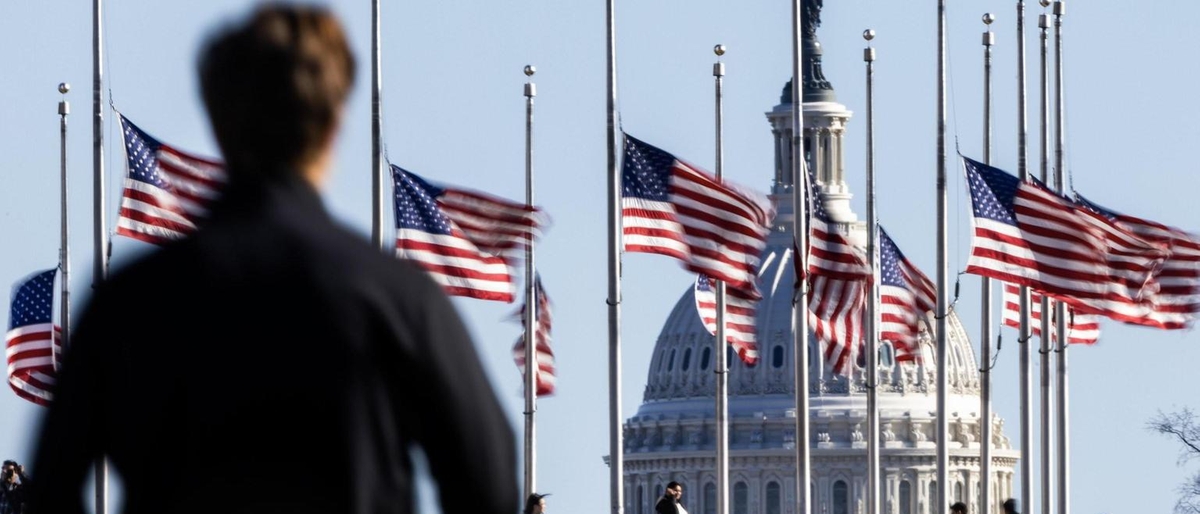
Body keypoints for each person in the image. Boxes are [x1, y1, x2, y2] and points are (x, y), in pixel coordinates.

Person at [25, 4, 516, 514]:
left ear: (218, 122)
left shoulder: (130, 303)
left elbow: (53, 488)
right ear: (333, 124)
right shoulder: (399, 300)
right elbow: (490, 481)